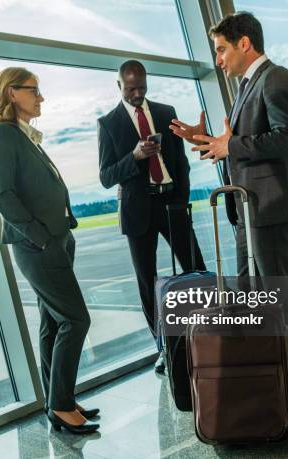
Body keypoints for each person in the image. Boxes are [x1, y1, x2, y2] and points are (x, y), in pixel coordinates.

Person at [170, 12, 288, 394]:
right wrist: (206, 140)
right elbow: (236, 146)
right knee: (250, 291)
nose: (218, 60)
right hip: (247, 208)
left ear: (244, 44)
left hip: (268, 206)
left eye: (221, 50)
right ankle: (269, 358)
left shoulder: (276, 78)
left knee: (280, 290)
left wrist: (229, 144)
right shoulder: (248, 86)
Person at [0, 67, 99, 433]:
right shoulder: (2, 135)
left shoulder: (25, 135)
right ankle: (61, 404)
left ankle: (57, 400)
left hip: (56, 239)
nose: (41, 97)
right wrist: (41, 237)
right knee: (76, 319)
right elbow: (2, 195)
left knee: (53, 322)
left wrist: (62, 233)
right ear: (11, 93)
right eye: (33, 90)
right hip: (38, 245)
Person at [97, 60, 206, 374]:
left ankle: (210, 334)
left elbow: (180, 162)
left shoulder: (164, 111)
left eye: (142, 87)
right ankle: (163, 349)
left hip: (172, 203)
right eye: (131, 88)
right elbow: (106, 176)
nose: (137, 93)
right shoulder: (109, 124)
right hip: (137, 210)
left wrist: (182, 199)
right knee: (148, 282)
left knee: (196, 269)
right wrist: (134, 157)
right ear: (119, 85)